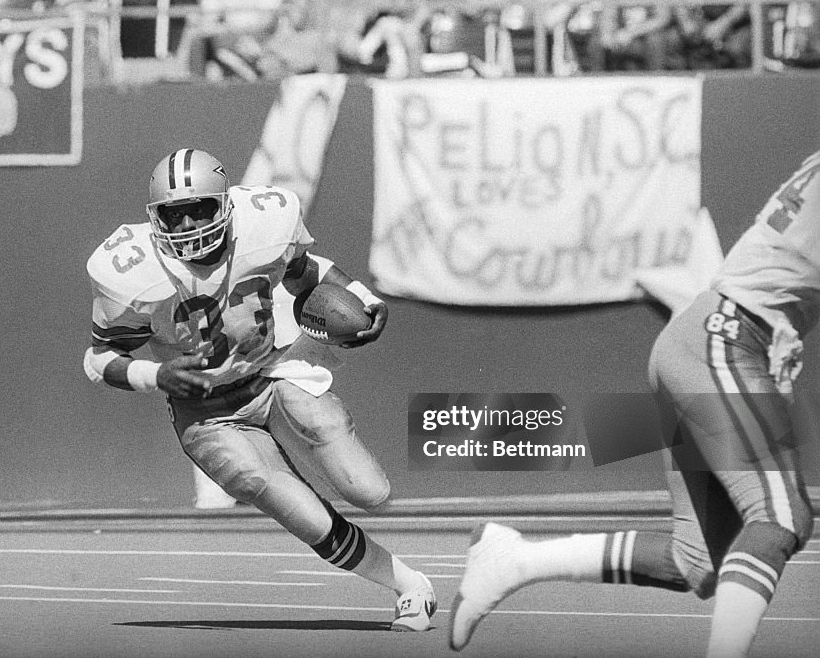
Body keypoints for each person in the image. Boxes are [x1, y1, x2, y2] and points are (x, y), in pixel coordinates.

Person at [448, 152, 818, 657]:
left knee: (697, 560)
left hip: (706, 338)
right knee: (780, 518)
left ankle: (514, 560)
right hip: (726, 340)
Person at [84, 147, 437, 631]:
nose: (186, 225)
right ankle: (409, 584)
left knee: (371, 492)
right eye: (173, 214)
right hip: (205, 411)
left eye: (199, 210)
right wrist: (156, 375)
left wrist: (360, 296)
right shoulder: (133, 271)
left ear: (226, 205)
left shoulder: (263, 224)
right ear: (154, 219)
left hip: (274, 371)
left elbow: (305, 270)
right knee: (294, 507)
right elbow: (99, 359)